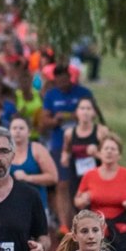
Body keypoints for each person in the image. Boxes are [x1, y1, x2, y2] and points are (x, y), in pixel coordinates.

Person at [40, 63, 94, 229]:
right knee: (62, 184)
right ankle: (65, 224)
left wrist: (72, 115)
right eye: (59, 81)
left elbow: (92, 114)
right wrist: (55, 120)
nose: (62, 84)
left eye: (65, 80)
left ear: (70, 78)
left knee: (83, 183)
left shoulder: (83, 93)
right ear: (55, 80)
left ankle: (85, 221)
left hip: (83, 143)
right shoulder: (51, 95)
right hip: (59, 144)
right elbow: (44, 121)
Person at [60, 96, 107, 201]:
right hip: (77, 178)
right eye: (82, 108)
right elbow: (66, 151)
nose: (85, 112)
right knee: (80, 210)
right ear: (76, 112)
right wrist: (65, 158)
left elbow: (111, 158)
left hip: (98, 179)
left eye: (88, 109)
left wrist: (96, 154)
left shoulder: (101, 132)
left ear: (94, 112)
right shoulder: (69, 133)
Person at [9, 115, 58, 212]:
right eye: (14, 128)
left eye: (21, 128)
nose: (17, 131)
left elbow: (53, 177)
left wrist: (28, 178)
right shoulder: (4, 152)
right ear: (9, 132)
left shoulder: (37, 149)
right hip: (11, 208)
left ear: (29, 132)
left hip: (36, 206)